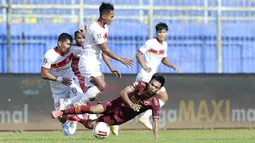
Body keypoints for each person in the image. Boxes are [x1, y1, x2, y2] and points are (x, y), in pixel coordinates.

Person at [51, 73, 165, 139]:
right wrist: (131, 104)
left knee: (91, 125)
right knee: (93, 109)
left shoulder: (154, 103)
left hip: (119, 117)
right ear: (149, 82)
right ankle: (62, 112)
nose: (152, 88)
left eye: (156, 87)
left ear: (159, 89)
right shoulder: (140, 85)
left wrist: (156, 139)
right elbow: (123, 93)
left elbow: (155, 122)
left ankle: (76, 119)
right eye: (152, 85)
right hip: (115, 104)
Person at [112, 22, 179, 132]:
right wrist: (144, 66)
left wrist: (171, 65)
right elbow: (138, 54)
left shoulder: (165, 45)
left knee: (137, 100)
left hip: (153, 77)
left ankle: (117, 120)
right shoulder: (150, 42)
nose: (162, 34)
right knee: (155, 97)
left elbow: (163, 59)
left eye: (164, 32)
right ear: (156, 33)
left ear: (167, 33)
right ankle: (132, 118)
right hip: (146, 75)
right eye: (159, 32)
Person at [76, 2, 134, 107]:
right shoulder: (96, 28)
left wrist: (111, 67)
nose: (112, 19)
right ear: (103, 16)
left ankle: (68, 103)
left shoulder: (105, 28)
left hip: (94, 62)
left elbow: (104, 50)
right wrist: (121, 59)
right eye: (111, 17)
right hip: (87, 62)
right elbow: (105, 50)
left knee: (93, 96)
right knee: (101, 85)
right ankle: (78, 105)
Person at [41, 33, 86, 136]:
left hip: (70, 80)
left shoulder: (72, 50)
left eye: (70, 44)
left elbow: (89, 49)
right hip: (57, 86)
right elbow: (44, 74)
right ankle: (67, 123)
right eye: (67, 44)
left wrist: (85, 35)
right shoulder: (50, 55)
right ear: (60, 43)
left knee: (80, 95)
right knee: (61, 116)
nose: (69, 47)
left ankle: (67, 104)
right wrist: (60, 79)